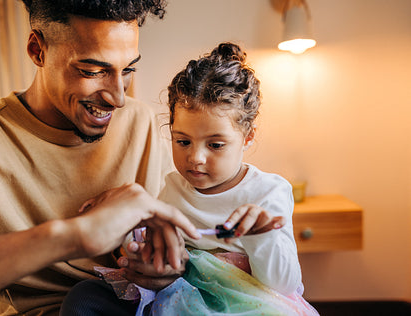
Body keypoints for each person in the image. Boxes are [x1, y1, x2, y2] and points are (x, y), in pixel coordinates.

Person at [0, 1, 202, 315]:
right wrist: (74, 236)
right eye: (92, 71)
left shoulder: (141, 122)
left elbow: (190, 238)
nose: (118, 97)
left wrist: (170, 265)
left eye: (128, 69)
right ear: (38, 50)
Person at [81, 42, 318, 315]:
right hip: (179, 296)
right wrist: (136, 239)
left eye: (215, 145)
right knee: (84, 296)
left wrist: (262, 238)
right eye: (183, 141)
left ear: (248, 136)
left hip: (246, 303)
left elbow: (284, 284)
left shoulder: (268, 192)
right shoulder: (173, 188)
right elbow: (155, 250)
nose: (195, 158)